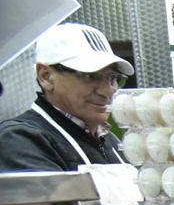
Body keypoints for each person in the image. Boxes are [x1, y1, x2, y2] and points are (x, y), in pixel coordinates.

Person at [0, 23, 134, 173]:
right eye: (89, 76)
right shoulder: (20, 139)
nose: (106, 91)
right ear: (46, 76)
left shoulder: (109, 140)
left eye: (113, 78)